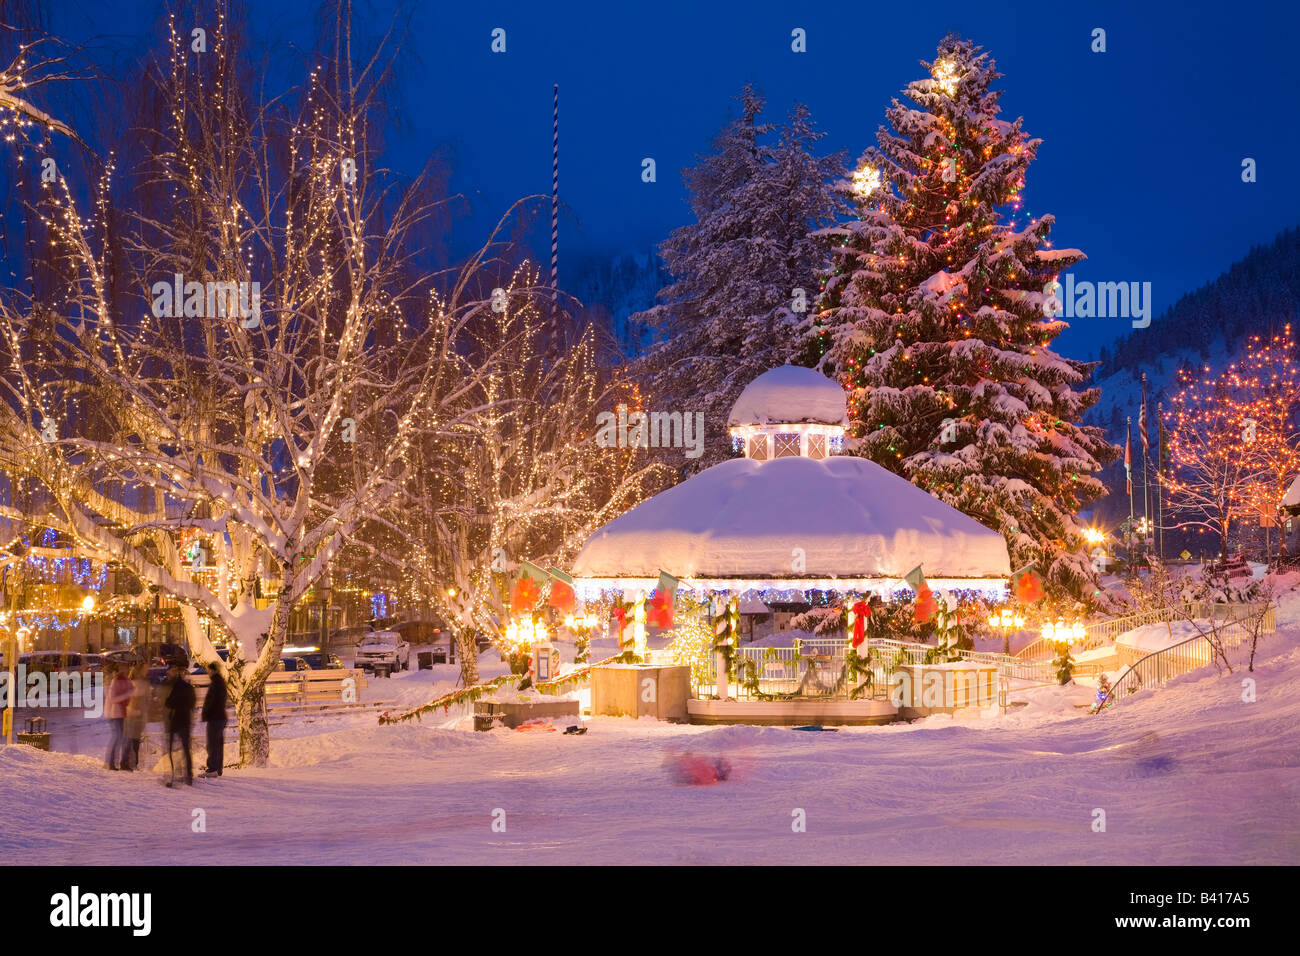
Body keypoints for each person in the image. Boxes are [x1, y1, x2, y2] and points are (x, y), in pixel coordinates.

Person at [163, 662, 196, 786]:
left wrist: (169, 702)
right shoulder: (188, 687)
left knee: (171, 749)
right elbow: (192, 703)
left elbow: (169, 703)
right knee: (186, 749)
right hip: (185, 720)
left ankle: (171, 775)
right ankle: (188, 775)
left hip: (175, 720)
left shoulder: (175, 686)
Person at [198, 662, 227, 778]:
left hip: (215, 717)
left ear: (213, 670)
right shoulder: (220, 682)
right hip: (219, 717)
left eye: (209, 670)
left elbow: (212, 701)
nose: (208, 672)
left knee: (212, 744)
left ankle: (212, 768)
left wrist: (206, 713)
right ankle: (217, 768)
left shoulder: (216, 683)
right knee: (217, 744)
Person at [122, 662, 151, 771]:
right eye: (145, 668)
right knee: (134, 740)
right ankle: (131, 762)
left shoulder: (131, 683)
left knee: (131, 739)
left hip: (133, 714)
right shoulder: (139, 683)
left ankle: (130, 762)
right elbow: (144, 699)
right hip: (134, 715)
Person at [104, 665, 133, 770]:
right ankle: (110, 762)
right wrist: (127, 694)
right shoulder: (116, 681)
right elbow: (113, 699)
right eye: (125, 668)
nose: (127, 669)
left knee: (123, 738)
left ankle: (120, 763)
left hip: (124, 713)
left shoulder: (127, 680)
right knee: (117, 737)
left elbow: (132, 691)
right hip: (116, 713)